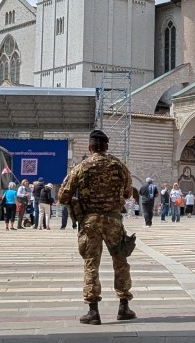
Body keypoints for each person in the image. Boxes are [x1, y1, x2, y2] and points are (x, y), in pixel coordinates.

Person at [58, 127, 137, 325]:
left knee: (91, 263)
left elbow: (62, 196)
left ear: (90, 147)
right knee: (120, 261)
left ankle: (93, 311)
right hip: (113, 220)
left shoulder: (81, 167)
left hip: (90, 222)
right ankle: (124, 306)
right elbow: (128, 194)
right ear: (106, 146)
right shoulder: (119, 166)